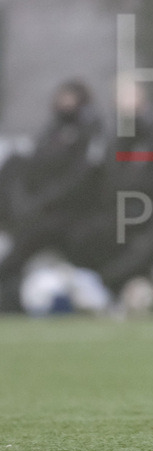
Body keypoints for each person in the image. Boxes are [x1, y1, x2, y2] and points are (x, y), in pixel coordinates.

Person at [0, 80, 107, 312]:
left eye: (70, 97)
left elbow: (80, 178)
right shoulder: (51, 131)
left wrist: (44, 201)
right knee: (15, 257)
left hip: (72, 215)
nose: (64, 102)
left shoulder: (89, 130)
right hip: (41, 212)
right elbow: (33, 168)